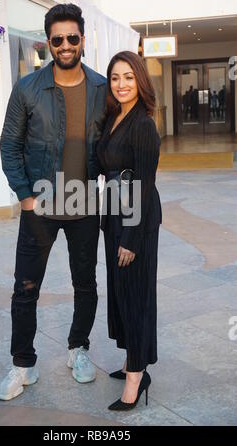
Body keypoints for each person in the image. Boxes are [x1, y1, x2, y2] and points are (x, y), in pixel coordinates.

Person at [0, 3, 106, 401]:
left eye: (72, 38)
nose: (65, 45)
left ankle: (78, 349)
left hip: (85, 208)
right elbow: (9, 145)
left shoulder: (100, 87)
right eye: (57, 39)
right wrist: (25, 197)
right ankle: (23, 364)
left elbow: (114, 144)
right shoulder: (28, 88)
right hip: (39, 208)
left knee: (86, 284)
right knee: (25, 288)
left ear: (82, 40)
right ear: (48, 42)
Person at [96, 51, 162, 411]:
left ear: (140, 81)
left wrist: (132, 239)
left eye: (128, 77)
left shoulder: (143, 125)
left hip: (137, 221)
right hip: (114, 216)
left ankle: (138, 374)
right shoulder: (114, 117)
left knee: (136, 297)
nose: (121, 84)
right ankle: (130, 359)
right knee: (121, 294)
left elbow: (144, 183)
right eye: (115, 78)